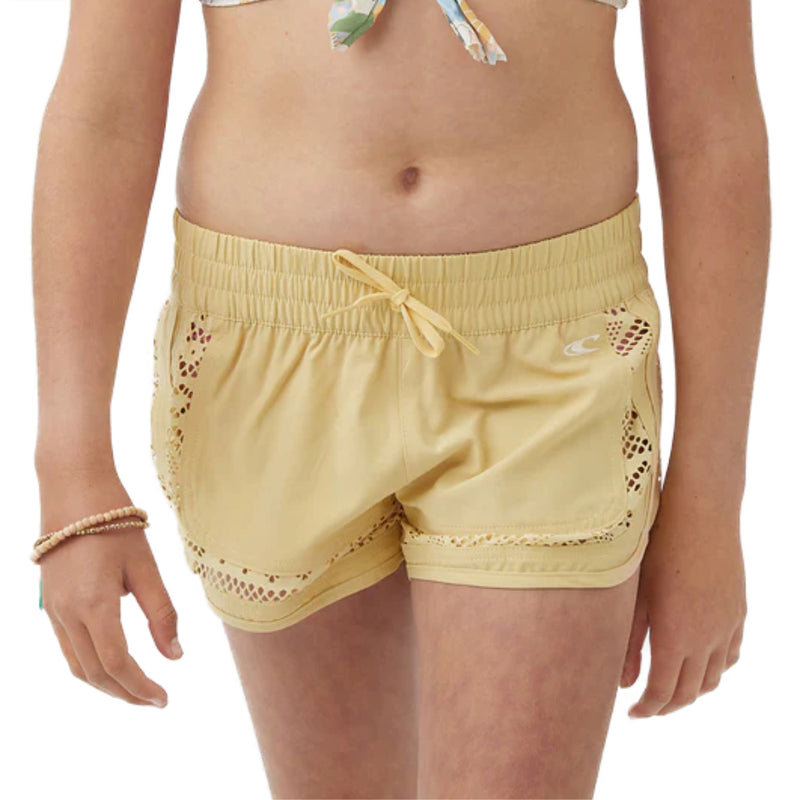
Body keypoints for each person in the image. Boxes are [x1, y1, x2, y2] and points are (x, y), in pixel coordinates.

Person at [31, 0, 769, 797]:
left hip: (551, 361)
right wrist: (71, 471)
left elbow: (711, 134)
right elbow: (102, 114)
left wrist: (708, 505)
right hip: (268, 353)